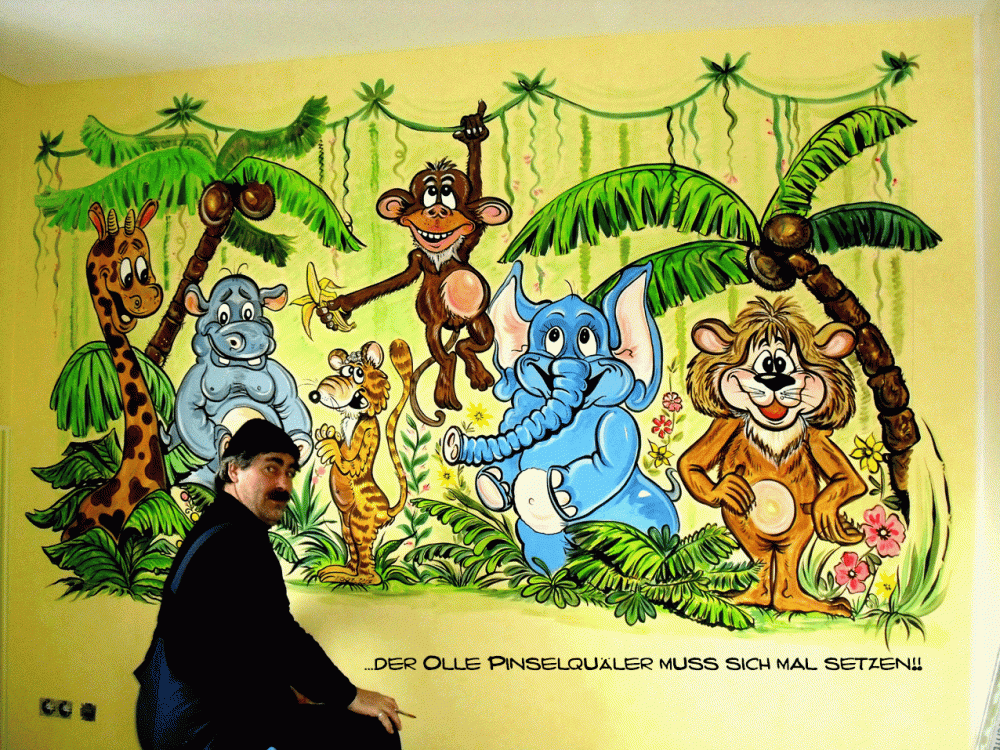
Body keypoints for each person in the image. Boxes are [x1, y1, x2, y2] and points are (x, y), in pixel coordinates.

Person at [136, 418, 407, 750]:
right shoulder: (235, 539)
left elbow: (240, 637)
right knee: (374, 733)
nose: (284, 484)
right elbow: (280, 635)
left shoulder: (221, 525)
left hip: (177, 717)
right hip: (200, 727)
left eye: (290, 472)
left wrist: (283, 690)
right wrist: (351, 696)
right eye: (270, 468)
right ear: (233, 471)